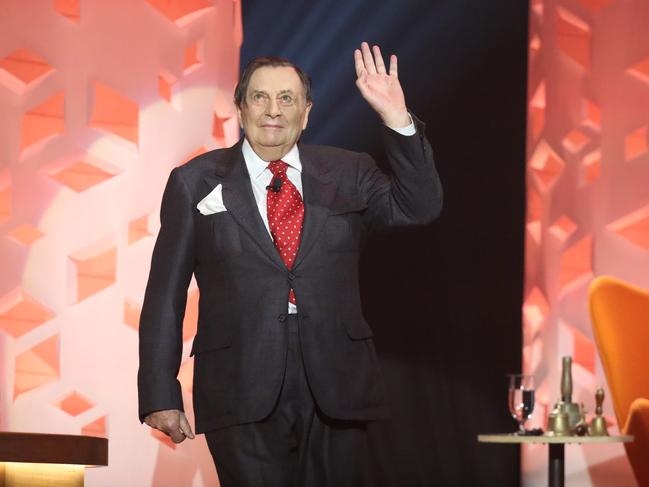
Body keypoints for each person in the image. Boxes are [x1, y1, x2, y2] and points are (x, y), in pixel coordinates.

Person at [138, 42, 442, 487]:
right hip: (238, 382)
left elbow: (420, 206)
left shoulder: (348, 171)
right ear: (240, 109)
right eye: (260, 97)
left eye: (287, 98)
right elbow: (165, 295)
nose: (273, 110)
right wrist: (160, 394)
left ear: (307, 112)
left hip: (336, 381)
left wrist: (396, 118)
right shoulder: (195, 181)